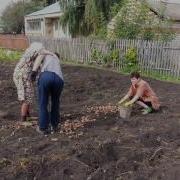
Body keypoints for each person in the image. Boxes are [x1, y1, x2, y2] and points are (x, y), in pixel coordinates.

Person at [30, 51, 64, 135]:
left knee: (43, 103)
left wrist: (34, 71)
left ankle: (43, 127)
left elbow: (40, 55)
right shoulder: (57, 60)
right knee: (55, 102)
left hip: (46, 76)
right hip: (59, 79)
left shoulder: (46, 53)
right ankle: (55, 126)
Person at [13, 42, 44, 121]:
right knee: (27, 97)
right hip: (23, 77)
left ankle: (28, 116)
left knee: (28, 96)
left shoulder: (29, 55)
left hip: (21, 76)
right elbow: (36, 71)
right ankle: (23, 119)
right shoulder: (34, 55)